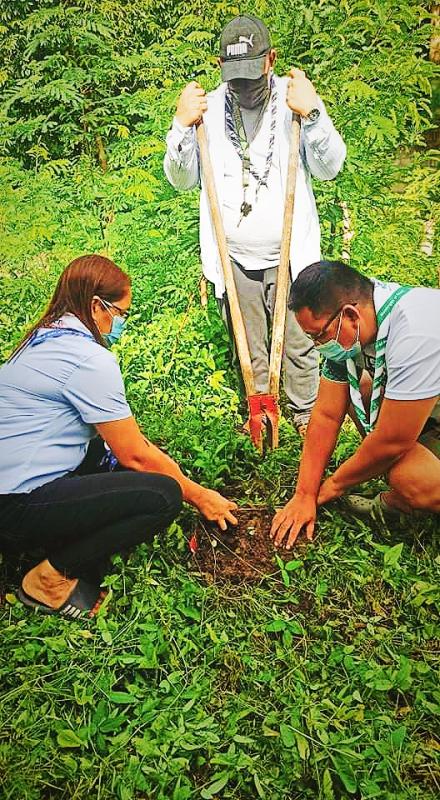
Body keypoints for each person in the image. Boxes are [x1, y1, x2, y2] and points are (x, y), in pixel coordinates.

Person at [0, 254, 237, 618]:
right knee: (162, 494)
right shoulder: (87, 359)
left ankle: (47, 542)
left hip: (13, 488)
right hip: (14, 507)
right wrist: (200, 496)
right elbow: (136, 455)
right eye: (121, 313)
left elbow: (115, 441)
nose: (122, 323)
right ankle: (48, 579)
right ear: (97, 306)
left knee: (112, 458)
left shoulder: (43, 339)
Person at [164, 15, 346, 436]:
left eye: (252, 76)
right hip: (234, 256)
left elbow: (331, 167)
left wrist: (315, 114)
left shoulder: (294, 101)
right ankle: (261, 411)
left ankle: (305, 418)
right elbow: (181, 179)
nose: (244, 88)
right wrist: (180, 125)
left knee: (301, 339)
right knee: (249, 339)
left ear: (271, 60)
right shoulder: (207, 110)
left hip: (290, 252)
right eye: (235, 79)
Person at [270, 261, 440, 548]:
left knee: (411, 478)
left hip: (422, 414)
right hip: (430, 409)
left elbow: (393, 441)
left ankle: (399, 501)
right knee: (359, 389)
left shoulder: (417, 330)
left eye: (319, 335)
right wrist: (304, 493)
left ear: (350, 315)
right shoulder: (362, 315)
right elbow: (325, 414)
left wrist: (330, 488)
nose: (317, 346)